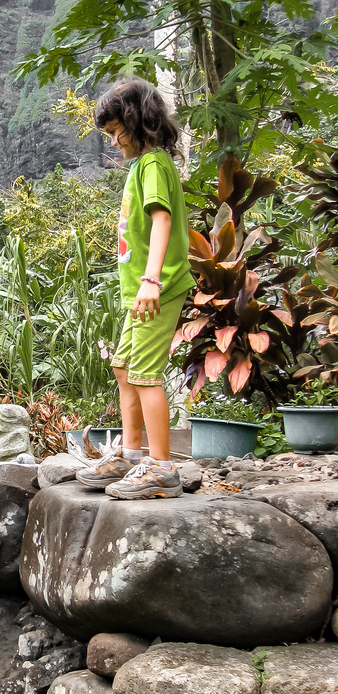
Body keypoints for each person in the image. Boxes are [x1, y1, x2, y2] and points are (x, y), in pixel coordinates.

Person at [76, 78, 195, 499]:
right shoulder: (141, 166)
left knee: (145, 374)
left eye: (114, 132)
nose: (112, 142)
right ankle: (129, 456)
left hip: (156, 287)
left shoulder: (154, 164)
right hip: (141, 291)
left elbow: (161, 220)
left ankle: (162, 468)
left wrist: (150, 279)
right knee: (124, 366)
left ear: (136, 122)